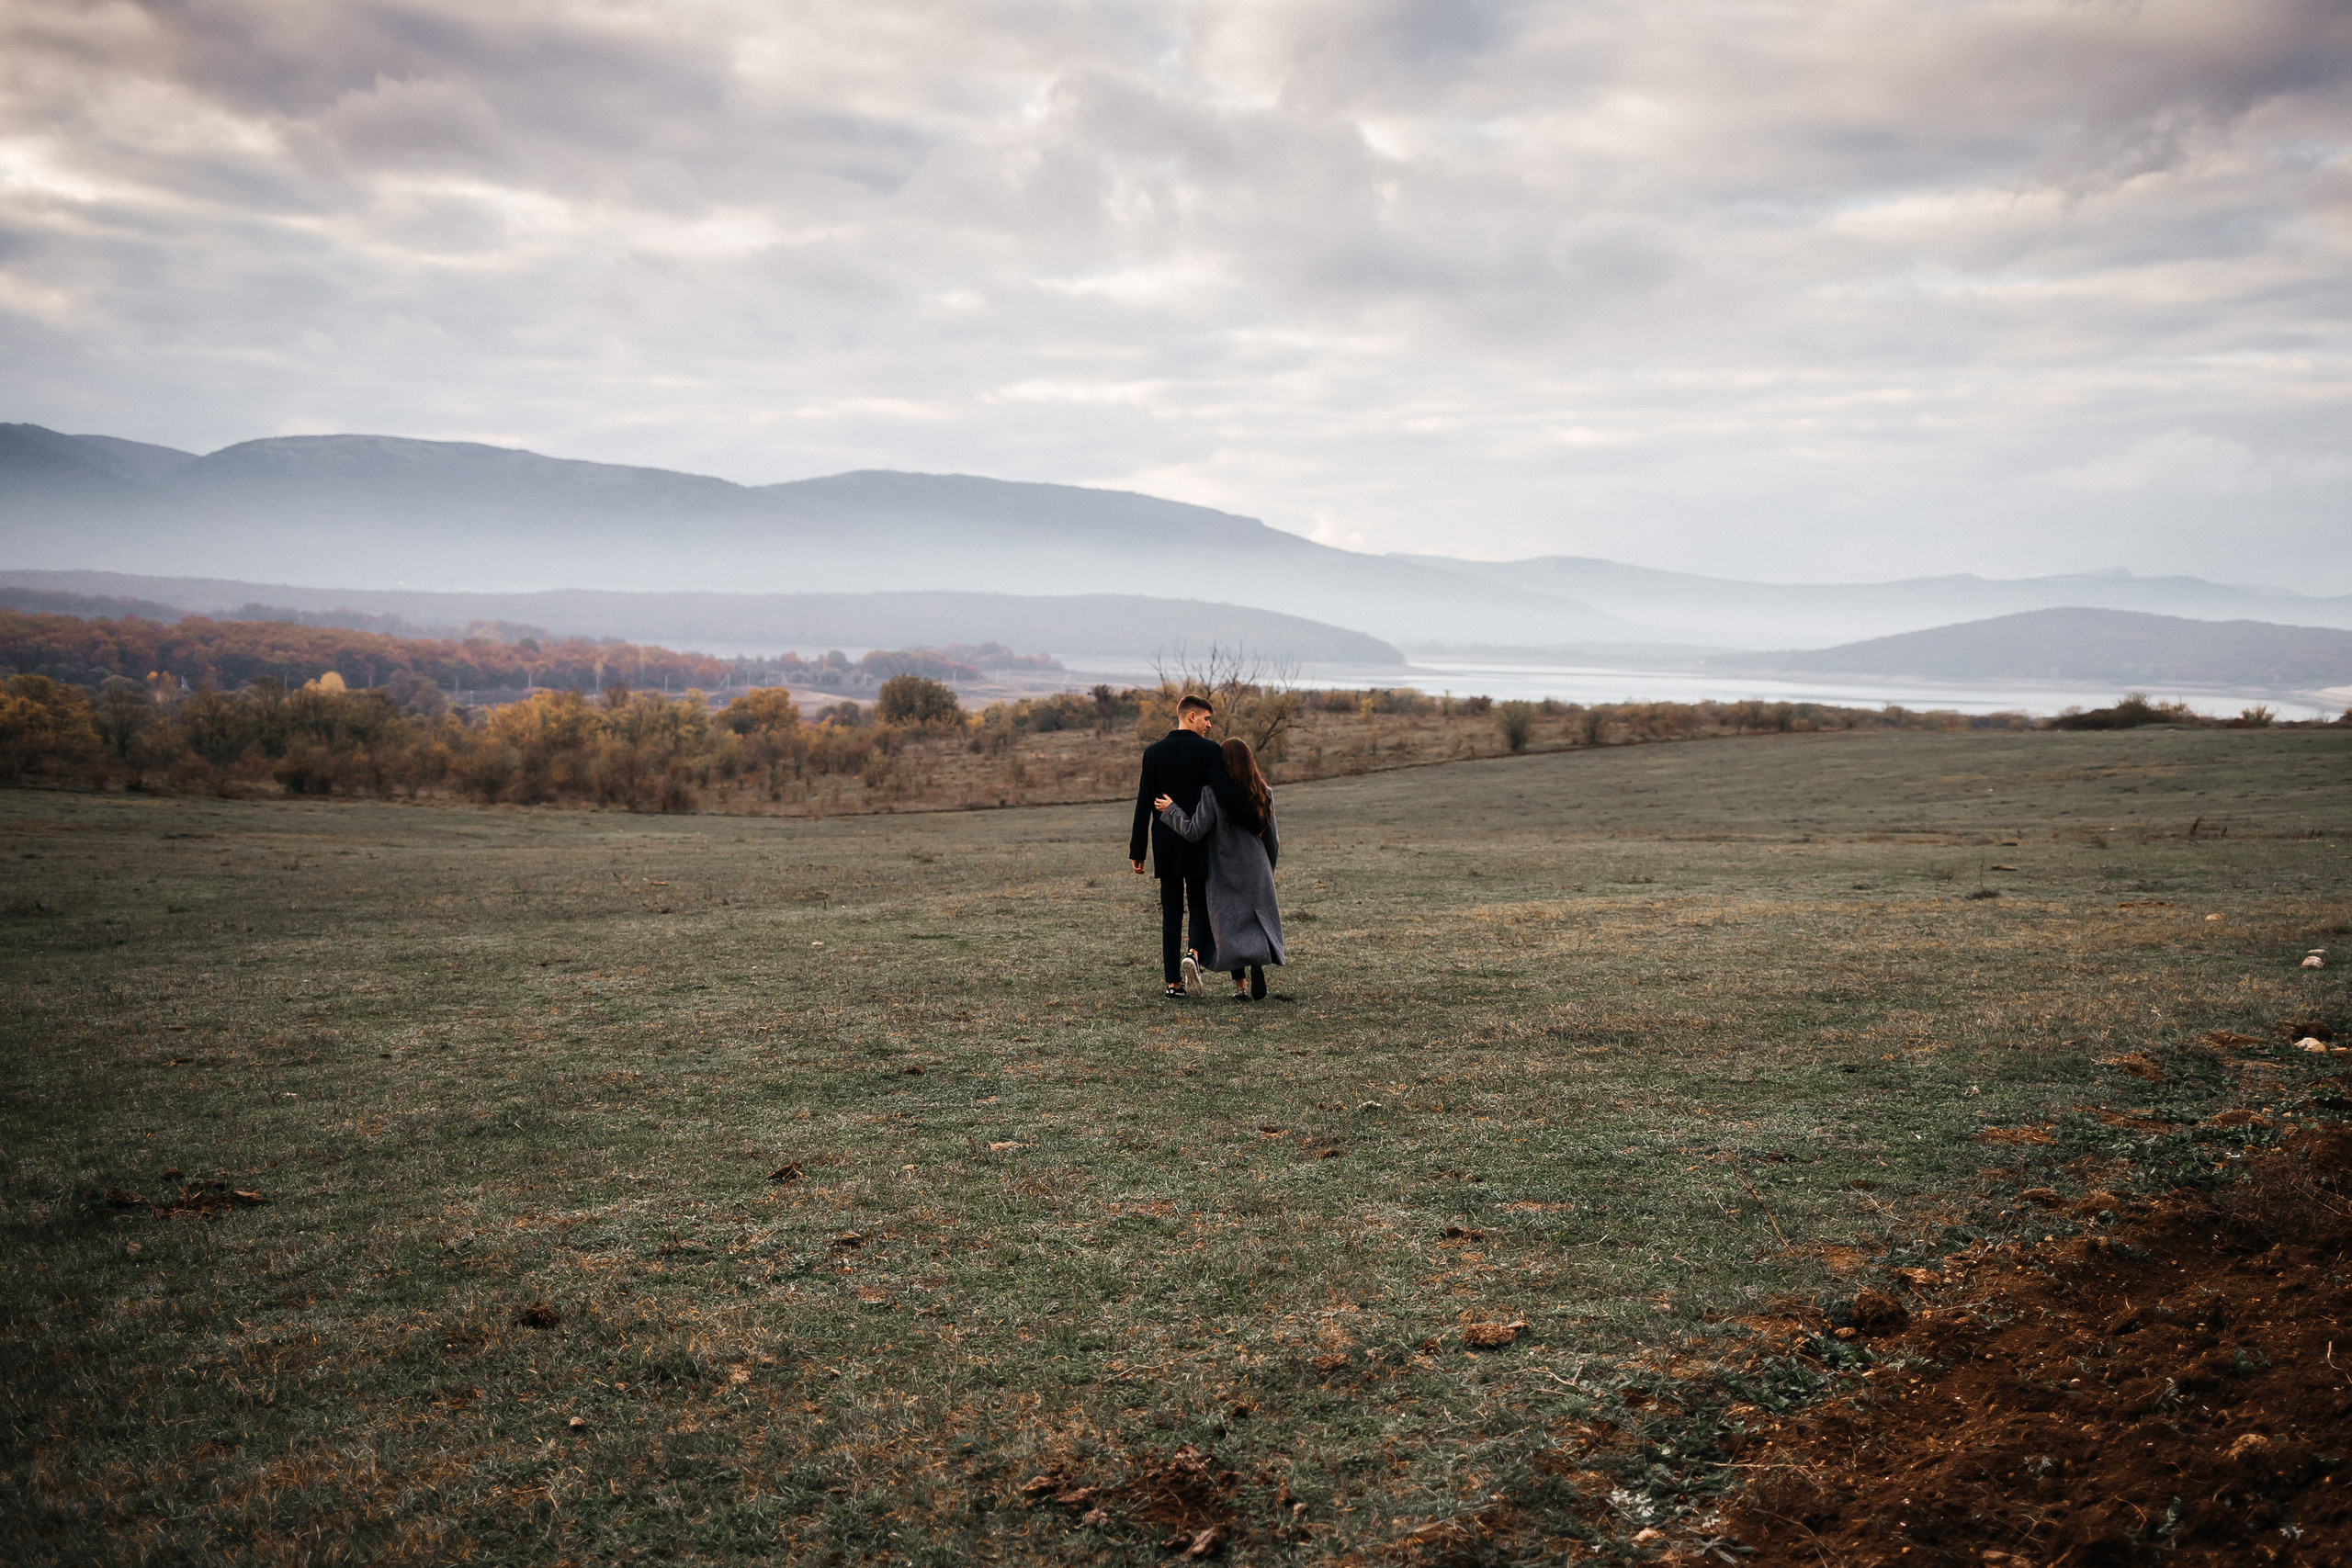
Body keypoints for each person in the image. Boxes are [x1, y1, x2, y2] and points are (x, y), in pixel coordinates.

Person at [1129, 694, 1251, 999]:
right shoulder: (1209, 751)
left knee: (1171, 911)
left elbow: (1144, 802)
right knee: (1198, 904)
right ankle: (1193, 954)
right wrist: (1254, 819)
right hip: (1198, 840)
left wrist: (1138, 850)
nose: (1210, 725)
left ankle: (1174, 984)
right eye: (1207, 719)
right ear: (1191, 716)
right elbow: (1224, 793)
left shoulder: (1153, 752)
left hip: (1166, 843)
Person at [1152, 735, 1283, 1001]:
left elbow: (1193, 831)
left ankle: (1241, 989)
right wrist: (1269, 868)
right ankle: (1257, 963)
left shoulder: (1211, 794)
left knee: (1231, 927)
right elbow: (1273, 838)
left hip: (1224, 870)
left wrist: (1171, 809)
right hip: (1257, 868)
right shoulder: (1264, 792)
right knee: (1256, 920)